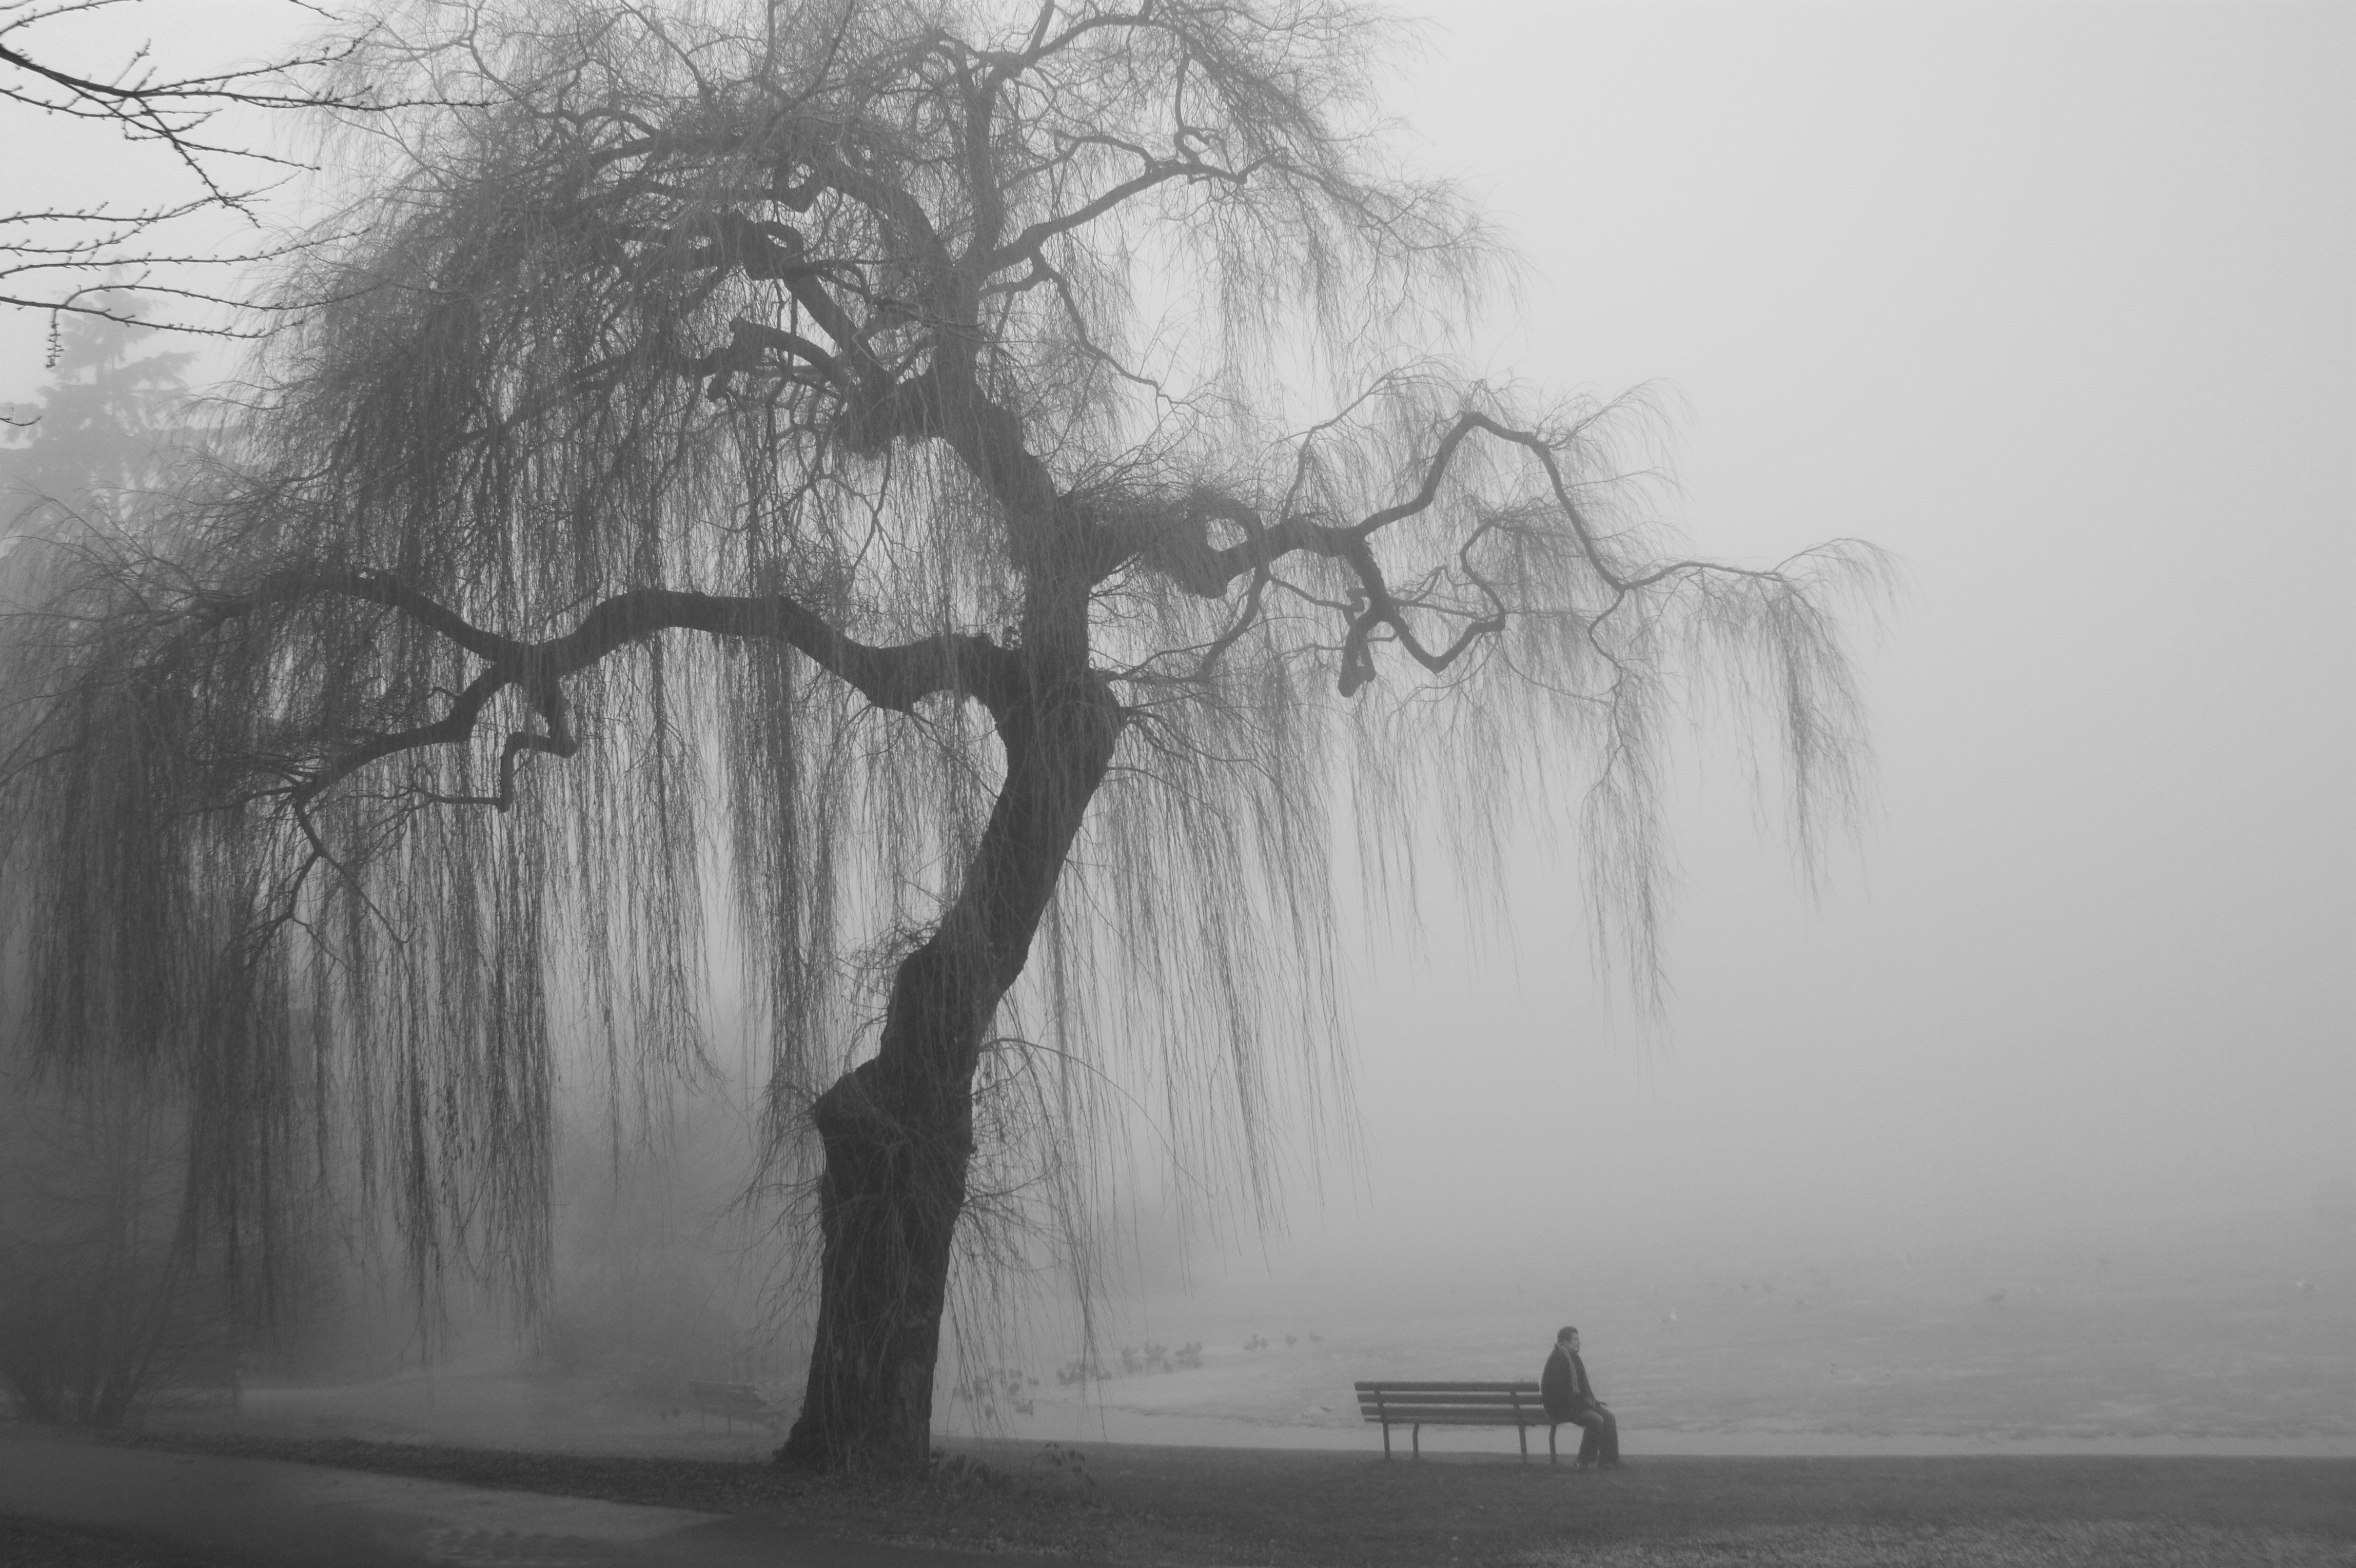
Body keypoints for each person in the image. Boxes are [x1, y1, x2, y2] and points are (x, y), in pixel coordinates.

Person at [1540, 1325, 1621, 1468]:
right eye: (1575, 1340)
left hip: (1574, 1405)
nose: (1579, 1342)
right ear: (1565, 1342)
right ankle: (1583, 1461)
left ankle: (1608, 1462)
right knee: (1596, 1420)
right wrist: (1585, 1404)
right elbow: (1560, 1393)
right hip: (1561, 1408)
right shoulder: (1559, 1359)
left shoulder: (1571, 1356)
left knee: (1609, 1417)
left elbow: (1580, 1389)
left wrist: (1592, 1402)